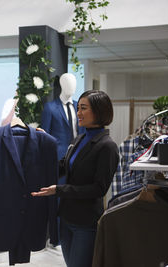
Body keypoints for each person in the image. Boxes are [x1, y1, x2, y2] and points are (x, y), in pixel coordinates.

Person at [32, 90, 119, 267]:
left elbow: (98, 189)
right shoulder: (79, 139)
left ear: (99, 111)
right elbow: (62, 167)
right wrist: (45, 142)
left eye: (83, 108)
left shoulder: (107, 147)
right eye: (78, 108)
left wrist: (59, 190)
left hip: (85, 223)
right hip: (66, 218)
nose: (78, 113)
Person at [41, 73, 84, 161]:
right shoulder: (50, 107)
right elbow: (45, 135)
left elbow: (83, 131)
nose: (72, 87)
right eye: (68, 83)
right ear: (62, 85)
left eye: (73, 84)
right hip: (58, 156)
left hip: (78, 154)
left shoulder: (79, 107)